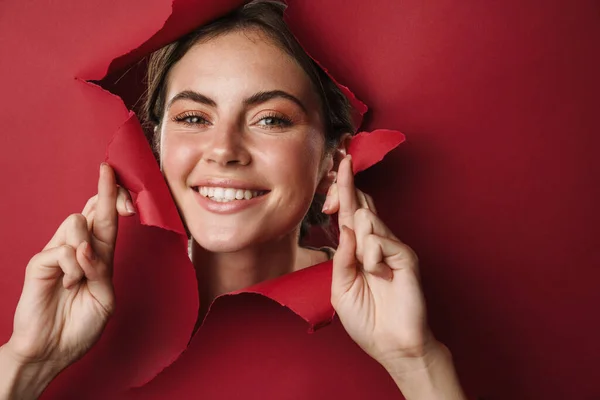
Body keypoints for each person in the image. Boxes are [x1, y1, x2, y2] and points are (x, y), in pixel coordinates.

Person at [0, 1, 467, 398]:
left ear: (332, 159)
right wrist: (28, 361)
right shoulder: (90, 315)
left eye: (271, 119)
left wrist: (417, 362)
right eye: (194, 117)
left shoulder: (388, 323)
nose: (224, 150)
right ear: (155, 145)